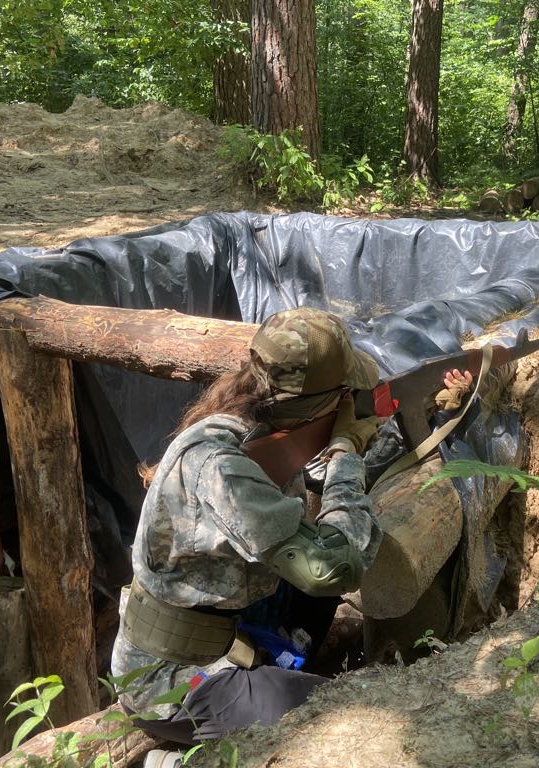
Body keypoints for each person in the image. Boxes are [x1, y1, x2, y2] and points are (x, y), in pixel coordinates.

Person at [112, 307, 387, 763]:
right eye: (345, 399)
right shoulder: (221, 466)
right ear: (322, 405)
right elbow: (332, 570)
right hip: (171, 676)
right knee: (343, 715)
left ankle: (275, 664)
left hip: (235, 626)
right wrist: (344, 452)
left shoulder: (254, 423)